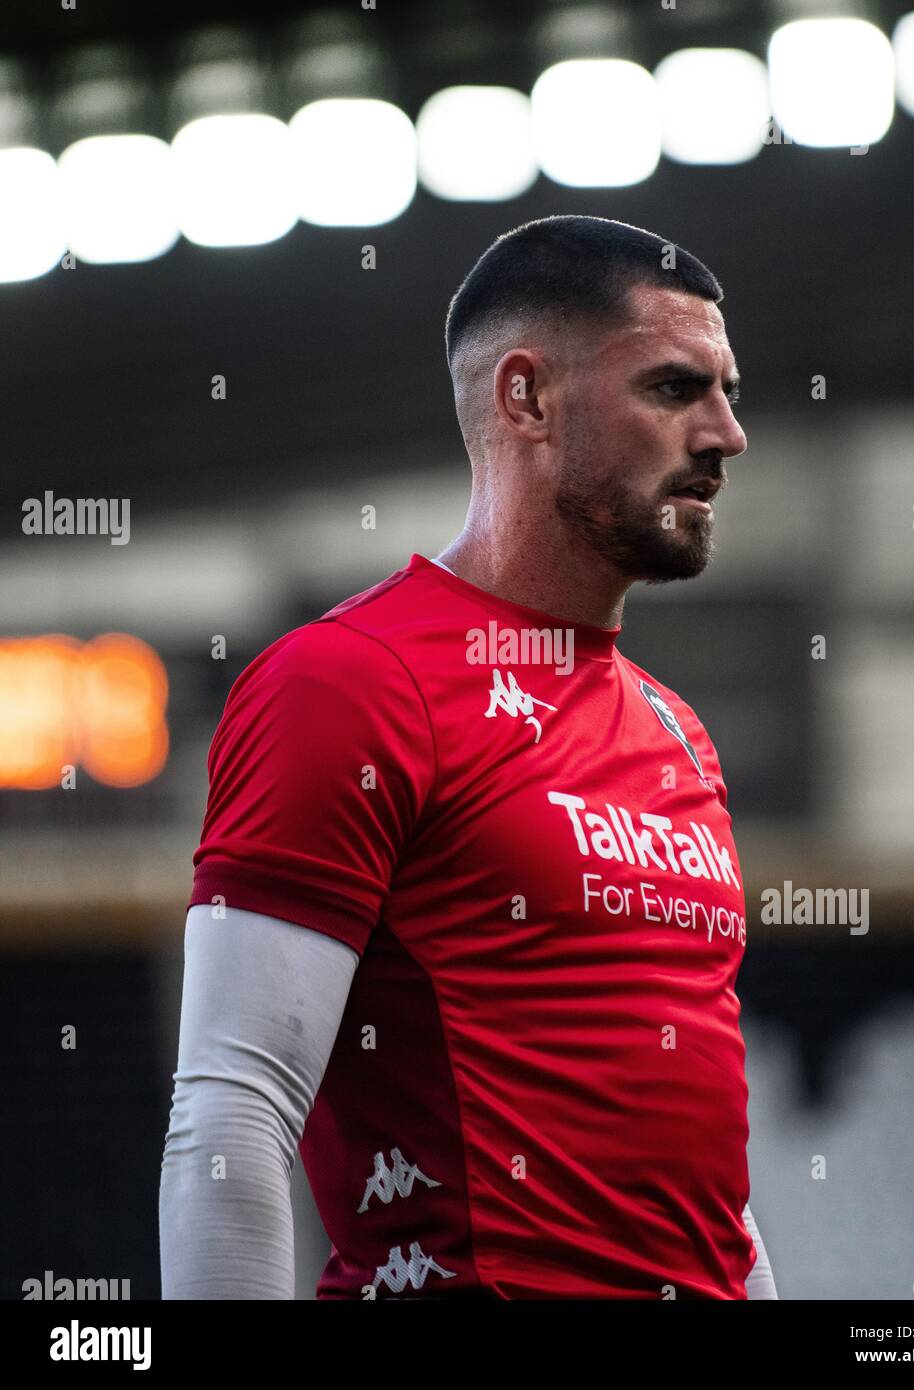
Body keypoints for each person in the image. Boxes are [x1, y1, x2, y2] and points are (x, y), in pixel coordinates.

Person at [159, 214, 778, 1300]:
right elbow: (232, 1104)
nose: (725, 434)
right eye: (676, 389)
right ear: (525, 397)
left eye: (728, 391)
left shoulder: (676, 732)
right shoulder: (347, 683)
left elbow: (707, 1201)